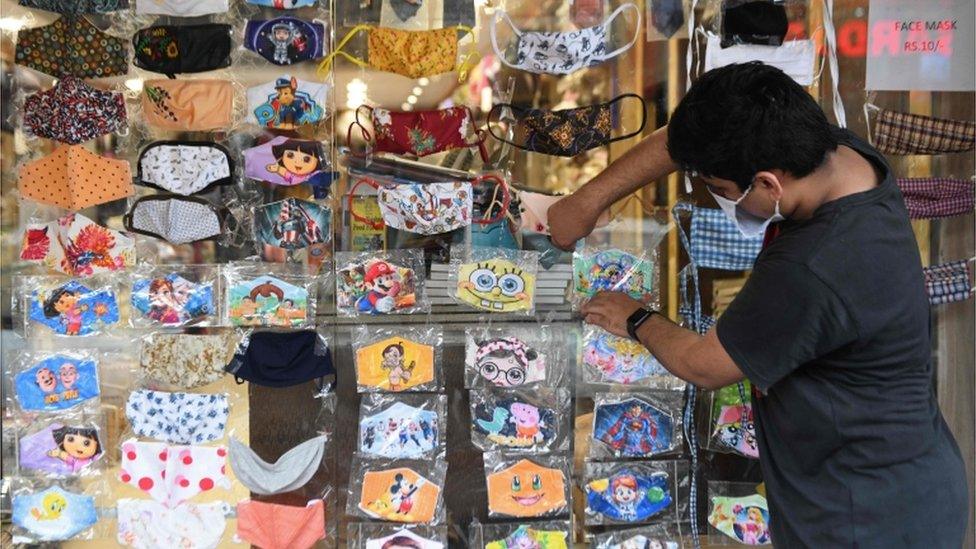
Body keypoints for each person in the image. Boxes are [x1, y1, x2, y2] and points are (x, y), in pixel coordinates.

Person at [548, 62, 967, 547]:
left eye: (723, 191)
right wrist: (590, 197)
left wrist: (636, 317)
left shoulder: (814, 266)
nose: (718, 198)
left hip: (865, 516)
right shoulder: (838, 156)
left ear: (768, 183)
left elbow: (705, 364)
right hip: (900, 477)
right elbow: (686, 139)